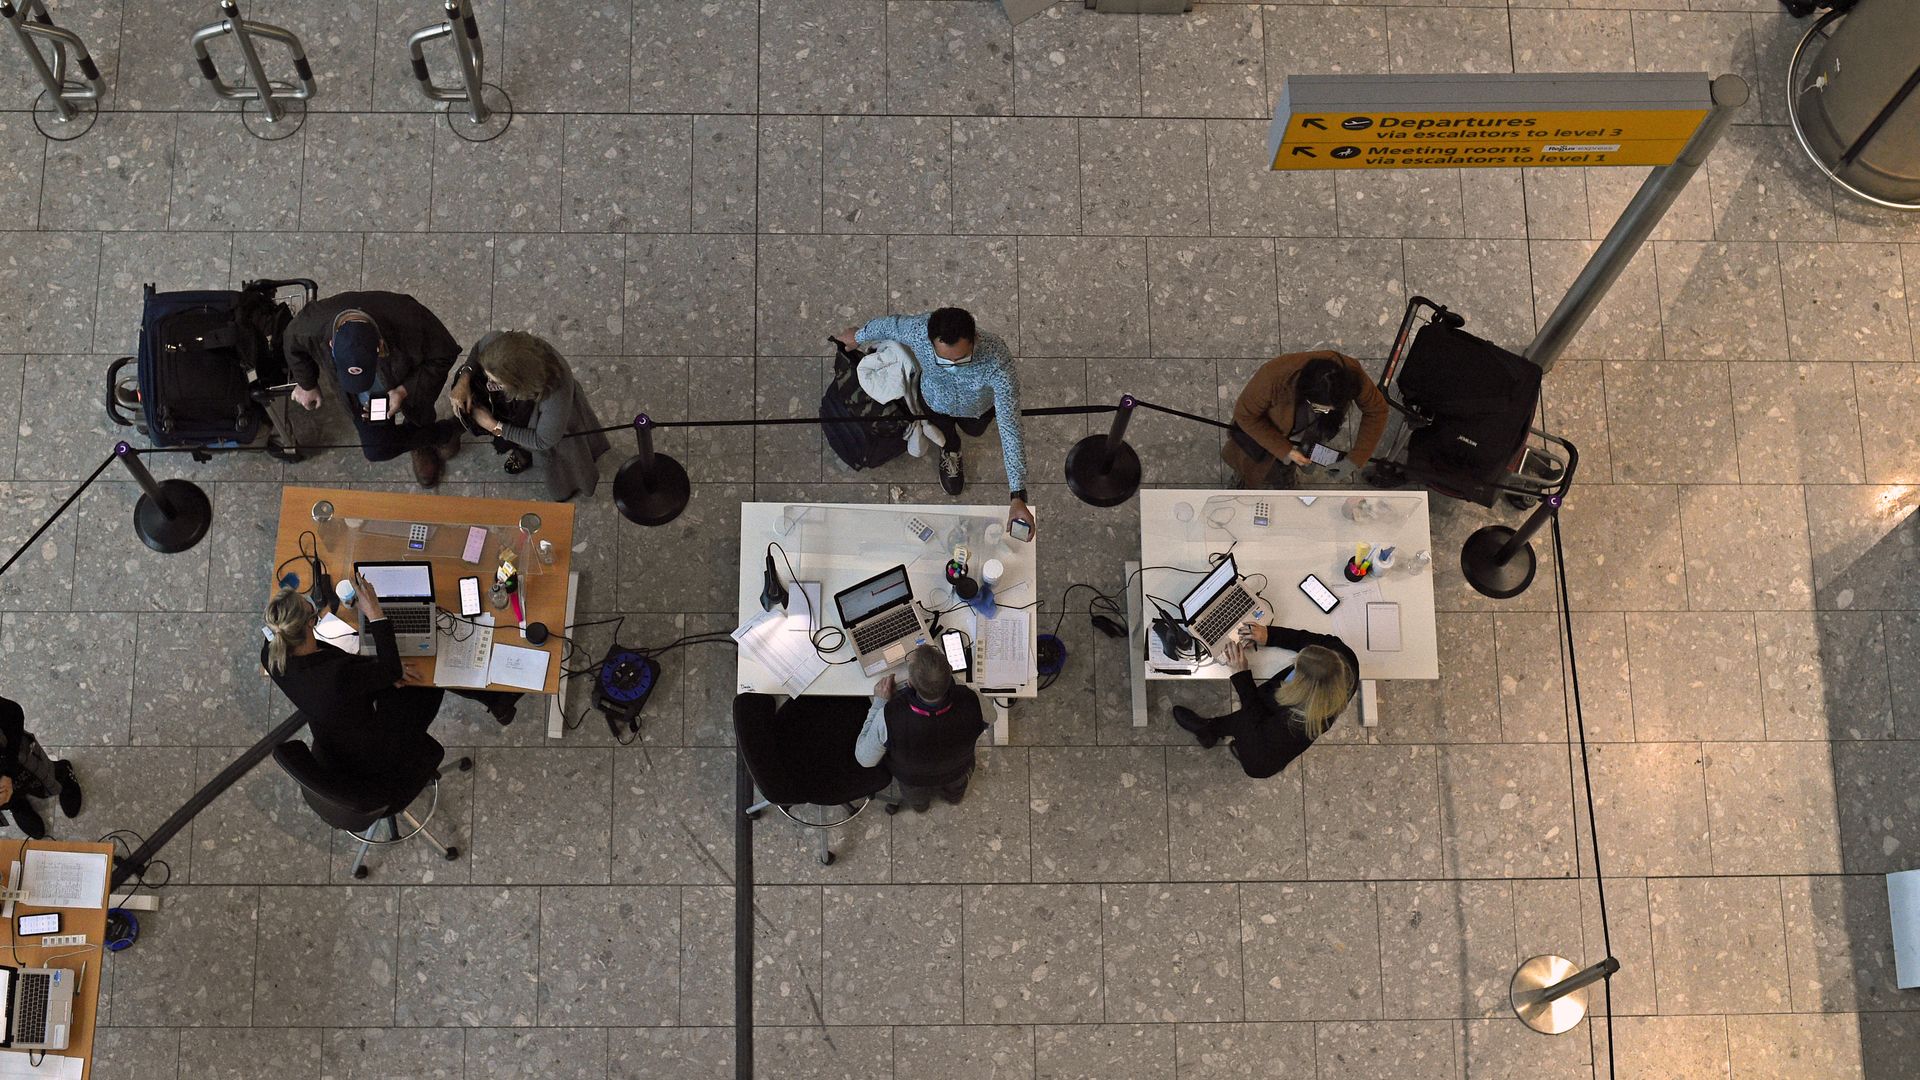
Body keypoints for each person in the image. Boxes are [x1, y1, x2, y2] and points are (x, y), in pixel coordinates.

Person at [260, 578, 517, 779]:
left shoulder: (270, 654)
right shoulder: (334, 679)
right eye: (313, 613)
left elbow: (344, 675)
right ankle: (497, 699)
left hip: (337, 735)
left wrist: (378, 673)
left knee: (404, 670)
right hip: (376, 752)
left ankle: (497, 701)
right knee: (427, 672)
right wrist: (375, 615)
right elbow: (353, 675)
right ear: (308, 625)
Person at [833, 307, 1035, 538]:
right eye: (944, 359)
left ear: (975, 340)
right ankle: (951, 449)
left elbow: (1010, 427)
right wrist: (859, 335)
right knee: (946, 434)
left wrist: (1017, 494)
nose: (953, 367)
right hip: (934, 402)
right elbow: (891, 325)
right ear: (930, 341)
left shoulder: (998, 361)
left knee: (975, 431)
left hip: (977, 411)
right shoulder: (919, 331)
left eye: (961, 359)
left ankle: (956, 440)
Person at [283, 291, 466, 488]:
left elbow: (445, 354)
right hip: (355, 398)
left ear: (380, 346)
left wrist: (403, 391)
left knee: (418, 414)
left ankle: (422, 436)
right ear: (331, 344)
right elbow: (291, 343)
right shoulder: (309, 326)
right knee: (377, 449)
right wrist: (307, 383)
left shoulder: (411, 320)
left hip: (406, 379)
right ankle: (443, 433)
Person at [1170, 624, 1358, 779]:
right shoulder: (1341, 657)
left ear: (1303, 685)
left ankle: (1210, 730)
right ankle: (1210, 730)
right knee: (1254, 708)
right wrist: (1269, 635)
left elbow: (1256, 721)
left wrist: (1241, 675)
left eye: (1297, 664)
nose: (1295, 659)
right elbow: (1304, 640)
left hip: (1262, 753)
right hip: (1275, 713)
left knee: (1247, 723)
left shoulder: (1301, 723)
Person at [446, 331, 612, 501]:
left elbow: (542, 440)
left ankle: (530, 456)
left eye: (497, 382)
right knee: (516, 433)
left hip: (547, 425)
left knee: (554, 457)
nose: (490, 384)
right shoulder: (500, 346)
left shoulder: (557, 395)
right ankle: (522, 451)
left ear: (520, 383)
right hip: (518, 410)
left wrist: (493, 426)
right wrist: (464, 378)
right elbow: (479, 348)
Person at [1224, 351, 1388, 489]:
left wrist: (1355, 459)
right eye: (1320, 408)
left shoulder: (1350, 374)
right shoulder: (1273, 376)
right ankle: (1242, 483)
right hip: (1267, 435)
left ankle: (1287, 474)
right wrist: (1285, 450)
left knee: (1288, 467)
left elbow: (1377, 410)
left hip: (1304, 432)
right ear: (1305, 393)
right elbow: (1245, 415)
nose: (1324, 413)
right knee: (1252, 471)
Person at [855, 645, 988, 812]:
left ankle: (921, 808)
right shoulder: (971, 700)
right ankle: (954, 799)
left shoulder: (889, 716)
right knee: (956, 789)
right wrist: (947, 680)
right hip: (956, 769)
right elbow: (992, 717)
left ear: (910, 683)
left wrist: (879, 703)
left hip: (913, 778)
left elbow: (865, 759)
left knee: (916, 799)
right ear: (950, 670)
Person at [0, 696, 82, 840]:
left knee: (44, 775)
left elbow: (13, 712)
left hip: (13, 756)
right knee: (9, 797)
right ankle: (15, 804)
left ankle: (62, 773)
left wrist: (8, 772)